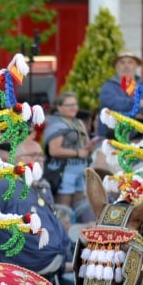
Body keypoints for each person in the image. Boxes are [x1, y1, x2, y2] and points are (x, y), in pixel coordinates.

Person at [0, 140, 71, 285]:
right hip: (23, 263)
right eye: (34, 155)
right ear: (16, 159)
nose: (40, 159)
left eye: (41, 155)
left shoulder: (42, 185)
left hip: (54, 261)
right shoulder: (4, 184)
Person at [43, 91, 95, 221]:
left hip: (80, 169)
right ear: (59, 107)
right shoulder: (56, 124)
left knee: (80, 205)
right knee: (63, 207)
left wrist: (89, 147)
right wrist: (78, 153)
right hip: (65, 170)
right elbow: (53, 150)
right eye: (69, 105)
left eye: (75, 104)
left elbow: (85, 143)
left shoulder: (78, 122)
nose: (73, 108)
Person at [98, 50, 143, 137]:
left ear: (136, 66)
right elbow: (114, 108)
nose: (126, 66)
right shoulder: (108, 87)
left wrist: (129, 112)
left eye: (130, 62)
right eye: (122, 62)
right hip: (113, 139)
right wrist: (138, 105)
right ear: (116, 66)